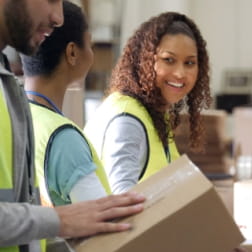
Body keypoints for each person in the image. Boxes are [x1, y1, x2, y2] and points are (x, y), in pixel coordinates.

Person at [0, 0, 145, 250]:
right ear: (72, 53)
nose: (58, 18)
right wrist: (59, 221)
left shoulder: (12, 93)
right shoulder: (63, 135)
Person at [84, 11, 212, 194]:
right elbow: (121, 203)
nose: (180, 73)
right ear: (143, 60)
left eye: (189, 63)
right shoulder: (127, 119)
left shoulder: (154, 115)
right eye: (169, 60)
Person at [21, 1, 111, 207]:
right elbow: (105, 223)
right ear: (72, 53)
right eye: (90, 44)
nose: (92, 54)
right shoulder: (65, 139)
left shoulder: (18, 116)